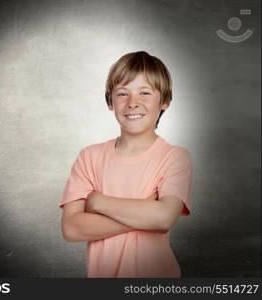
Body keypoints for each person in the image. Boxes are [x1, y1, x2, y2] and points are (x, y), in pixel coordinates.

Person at [59, 51, 193, 278]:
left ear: (165, 102)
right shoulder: (89, 157)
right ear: (110, 101)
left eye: (144, 93)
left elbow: (163, 219)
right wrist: (145, 212)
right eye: (123, 93)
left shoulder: (175, 157)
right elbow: (71, 229)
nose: (133, 103)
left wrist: (99, 202)